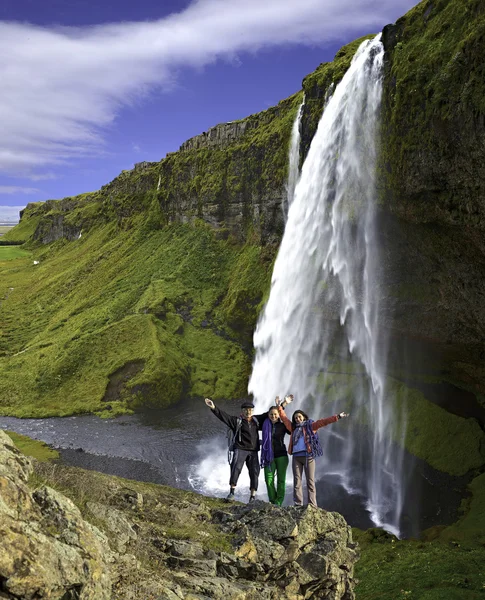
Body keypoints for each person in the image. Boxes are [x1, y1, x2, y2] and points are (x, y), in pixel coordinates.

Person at [276, 401, 349, 508]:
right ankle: (298, 503)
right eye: (296, 418)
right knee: (297, 482)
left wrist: (337, 417)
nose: (298, 419)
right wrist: (280, 407)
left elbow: (323, 422)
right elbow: (284, 418)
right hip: (296, 457)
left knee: (310, 481)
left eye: (299, 417)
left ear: (304, 417)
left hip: (308, 457)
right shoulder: (293, 428)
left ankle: (313, 505)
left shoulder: (311, 426)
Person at [204, 397, 268, 503]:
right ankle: (232, 492)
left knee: (255, 472)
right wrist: (213, 407)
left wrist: (282, 405)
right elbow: (224, 416)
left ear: (253, 411)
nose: (248, 412)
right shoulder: (236, 421)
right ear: (242, 411)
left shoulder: (256, 420)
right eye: (246, 410)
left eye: (250, 410)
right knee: (236, 469)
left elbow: (269, 414)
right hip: (240, 449)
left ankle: (252, 496)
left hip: (253, 451)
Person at [260, 396, 293, 506]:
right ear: (268, 415)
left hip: (281, 456)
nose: (273, 416)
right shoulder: (264, 425)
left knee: (281, 480)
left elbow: (292, 429)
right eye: (271, 414)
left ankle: (278, 502)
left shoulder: (283, 426)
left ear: (279, 415)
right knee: (268, 480)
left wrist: (282, 405)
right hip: (268, 456)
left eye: (275, 414)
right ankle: (272, 501)